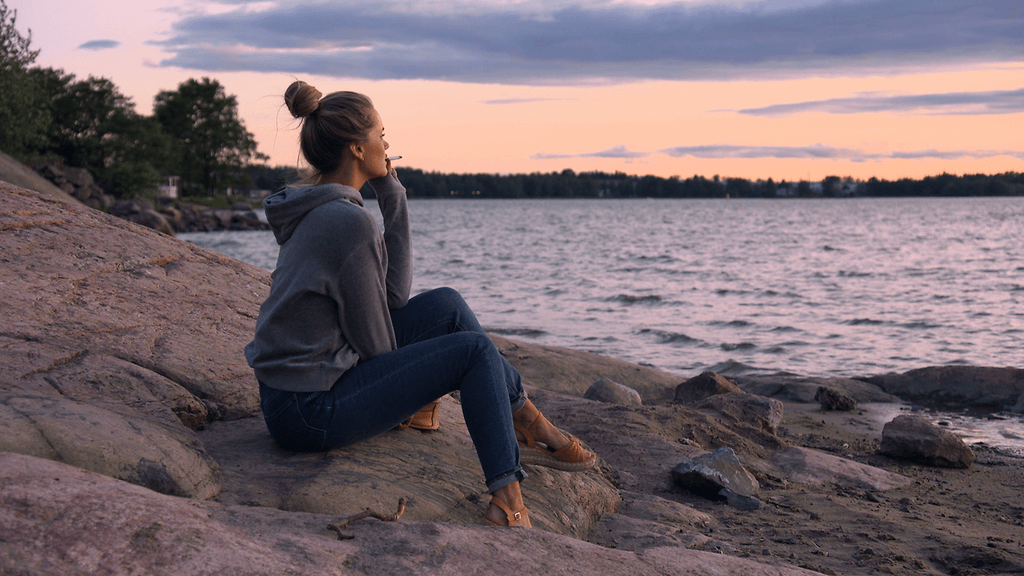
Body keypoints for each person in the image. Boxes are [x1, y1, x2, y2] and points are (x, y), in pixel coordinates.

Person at [244, 81, 597, 528]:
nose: (387, 144)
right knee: (473, 351)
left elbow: (391, 300)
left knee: (448, 305)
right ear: (357, 147)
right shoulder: (346, 222)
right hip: (307, 412)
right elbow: (379, 348)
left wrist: (393, 197)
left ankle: (526, 419)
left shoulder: (326, 208)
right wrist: (423, 378)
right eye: (381, 134)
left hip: (296, 391)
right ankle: (508, 500)